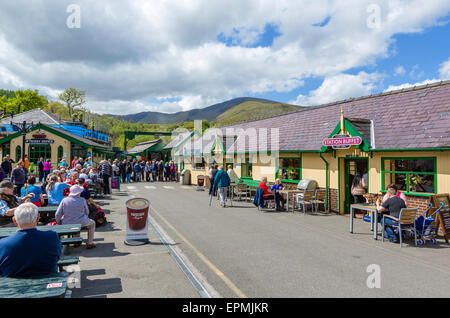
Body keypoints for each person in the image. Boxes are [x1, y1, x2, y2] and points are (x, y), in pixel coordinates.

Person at [0, 203, 61, 277]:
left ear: (14, 221)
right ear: (38, 218)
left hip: (14, 286)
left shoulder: (2, 244)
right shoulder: (52, 236)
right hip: (48, 283)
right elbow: (57, 256)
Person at [55, 185, 96, 249]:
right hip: (81, 221)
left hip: (67, 222)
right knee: (92, 223)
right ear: (78, 193)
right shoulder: (82, 200)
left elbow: (58, 214)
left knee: (74, 223)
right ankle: (90, 243)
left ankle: (76, 242)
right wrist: (84, 217)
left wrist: (59, 222)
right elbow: (87, 212)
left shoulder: (64, 200)